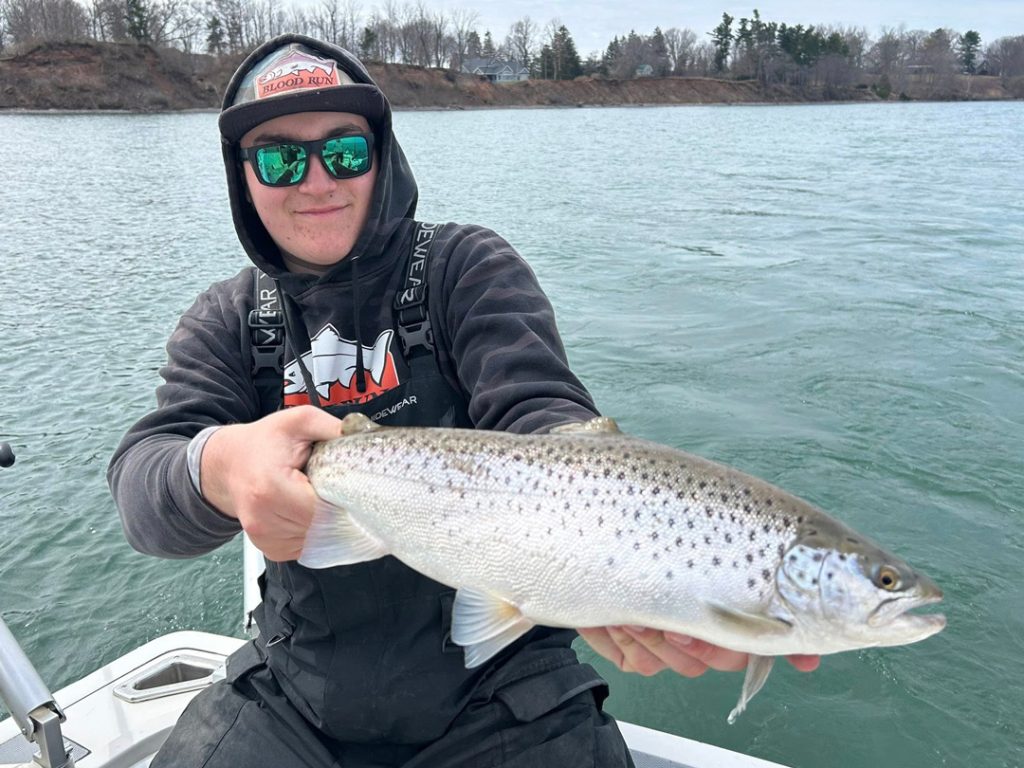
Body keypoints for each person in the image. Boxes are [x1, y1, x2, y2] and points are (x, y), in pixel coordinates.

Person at [108, 33, 818, 767]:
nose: (317, 182)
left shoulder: (465, 269)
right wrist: (220, 467)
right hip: (295, 693)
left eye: (345, 151)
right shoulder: (227, 322)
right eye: (280, 158)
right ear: (244, 177)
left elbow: (540, 411)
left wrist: (607, 561)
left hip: (505, 690)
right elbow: (143, 490)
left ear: (381, 157)